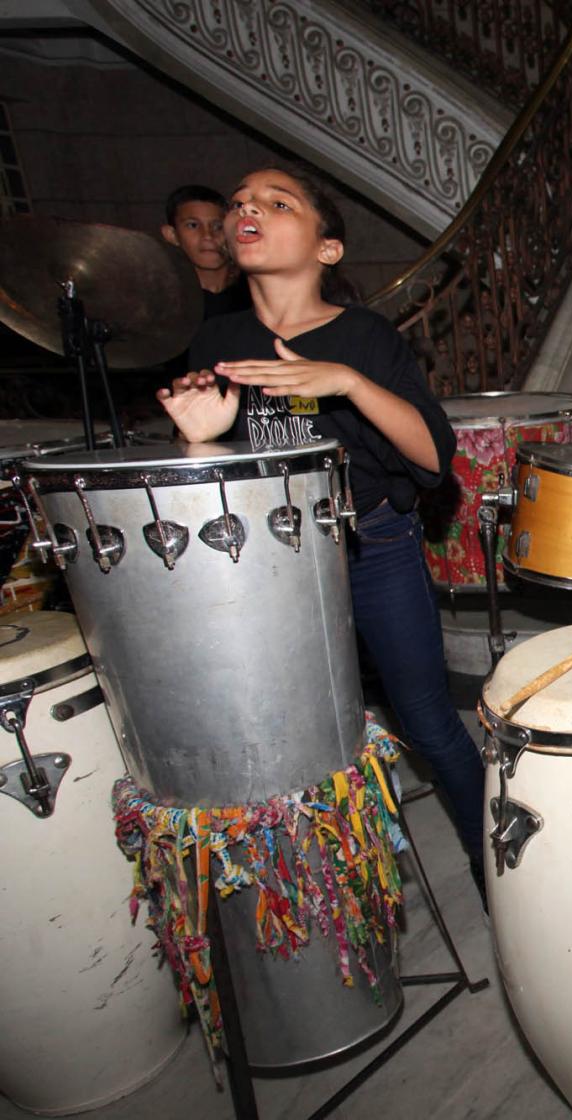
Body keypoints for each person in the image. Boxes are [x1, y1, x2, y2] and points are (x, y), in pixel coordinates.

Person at [155, 165, 486, 895]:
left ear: (326, 249)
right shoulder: (215, 337)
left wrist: (348, 384)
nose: (248, 211)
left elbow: (434, 457)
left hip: (373, 547)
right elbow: (205, 479)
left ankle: (494, 869)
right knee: (290, 737)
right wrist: (201, 439)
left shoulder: (363, 336)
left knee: (428, 726)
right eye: (239, 202)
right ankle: (328, 893)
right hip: (262, 563)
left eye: (278, 204)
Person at [160, 184, 252, 321]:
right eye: (193, 225)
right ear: (172, 235)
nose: (208, 235)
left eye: (218, 226)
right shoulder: (164, 301)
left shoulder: (256, 293)